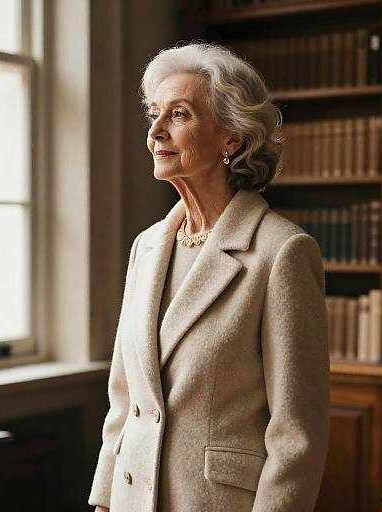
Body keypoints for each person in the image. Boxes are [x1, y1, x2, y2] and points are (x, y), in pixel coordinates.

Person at [88, 41, 330, 512]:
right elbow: (125, 400)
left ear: (231, 138)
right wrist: (104, 499)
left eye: (178, 115)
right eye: (154, 114)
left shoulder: (282, 252)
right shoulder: (147, 246)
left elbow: (297, 433)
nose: (155, 131)